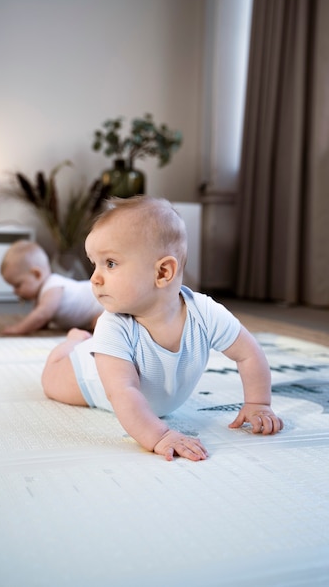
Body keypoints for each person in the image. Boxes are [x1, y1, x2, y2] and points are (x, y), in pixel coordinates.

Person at [41, 196, 284, 461]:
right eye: (94, 264)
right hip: (85, 376)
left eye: (110, 263)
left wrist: (259, 403)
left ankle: (79, 339)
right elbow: (123, 392)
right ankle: (72, 342)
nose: (94, 278)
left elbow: (249, 353)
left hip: (129, 375)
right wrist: (159, 435)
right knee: (51, 380)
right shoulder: (113, 325)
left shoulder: (204, 312)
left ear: (162, 273)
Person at [0, 240, 103, 335]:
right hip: (92, 311)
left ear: (37, 274)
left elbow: (42, 315)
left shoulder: (52, 286)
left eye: (18, 285)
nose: (14, 291)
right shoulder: (42, 294)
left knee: (101, 324)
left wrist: (19, 328)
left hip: (100, 302)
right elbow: (42, 321)